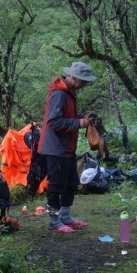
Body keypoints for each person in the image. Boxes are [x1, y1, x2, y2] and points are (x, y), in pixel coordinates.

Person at [39, 61, 96, 233]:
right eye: (84, 81)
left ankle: (65, 216)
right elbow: (53, 121)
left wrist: (82, 118)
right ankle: (54, 222)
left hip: (66, 147)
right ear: (75, 78)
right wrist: (79, 122)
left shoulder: (69, 93)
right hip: (55, 148)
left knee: (71, 182)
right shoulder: (59, 94)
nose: (85, 85)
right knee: (56, 184)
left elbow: (66, 117)